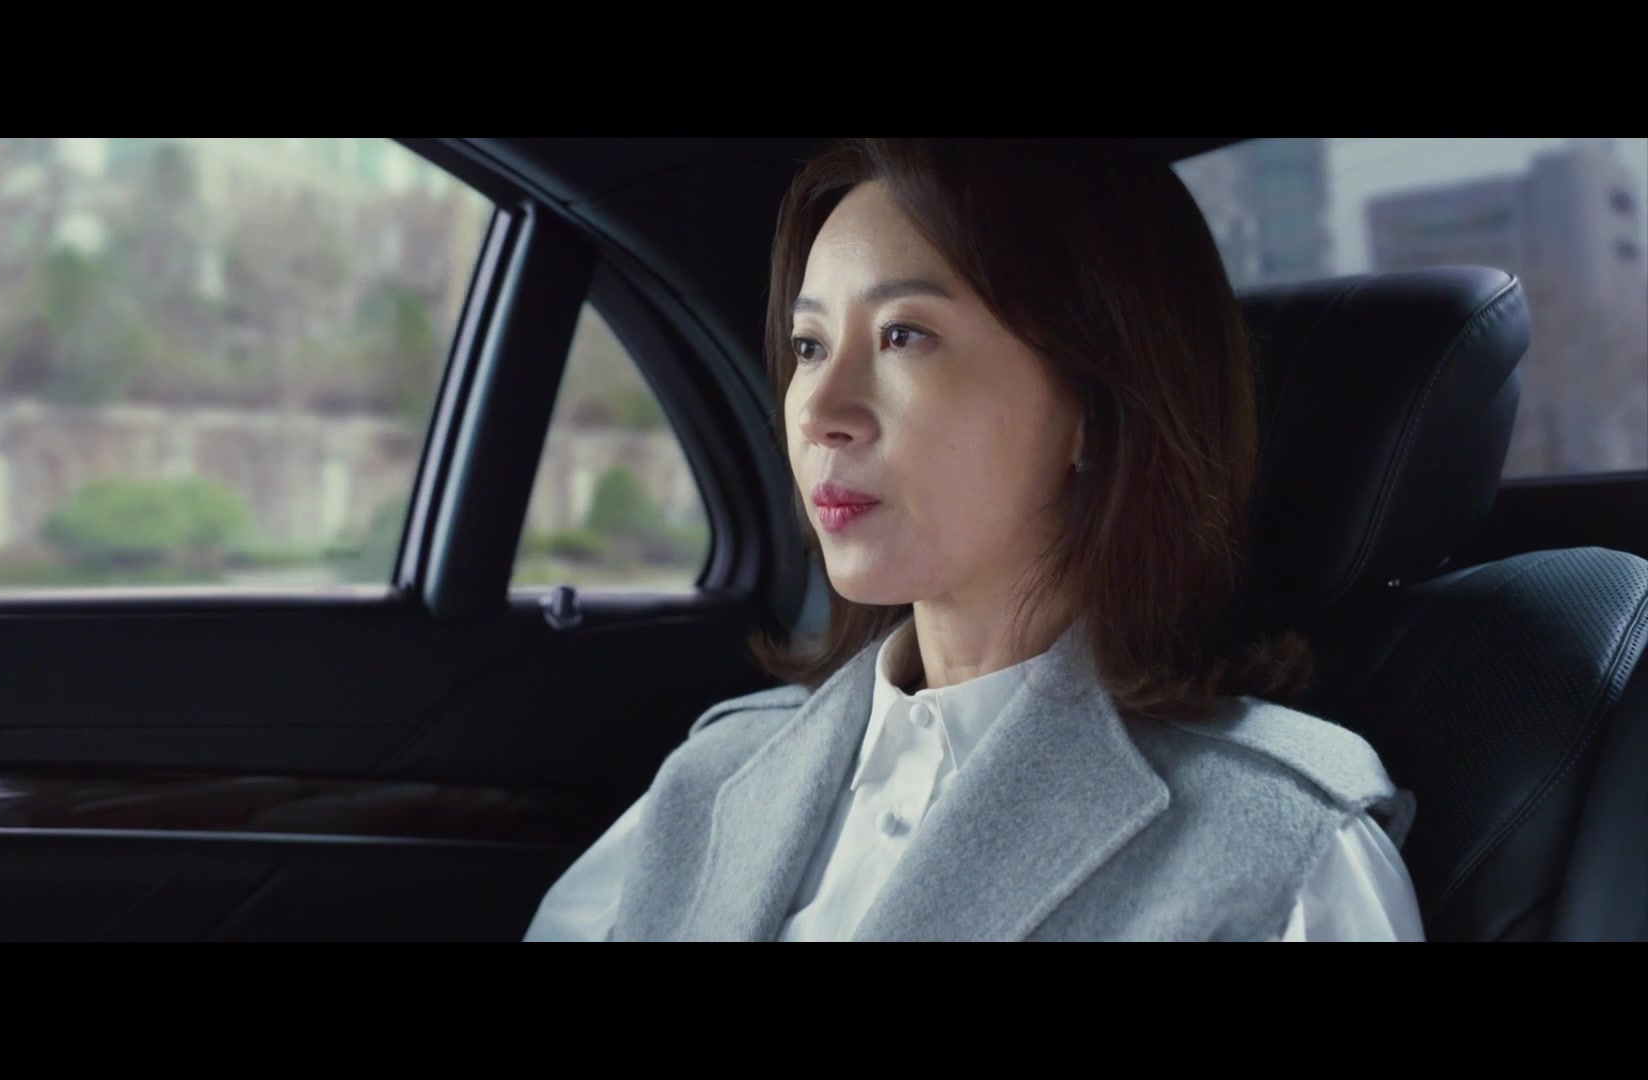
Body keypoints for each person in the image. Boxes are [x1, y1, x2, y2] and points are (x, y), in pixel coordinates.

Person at [525, 138, 1423, 941]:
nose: (820, 411)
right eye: (808, 346)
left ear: (1096, 403)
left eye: (904, 335)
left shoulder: (1285, 856)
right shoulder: (710, 780)